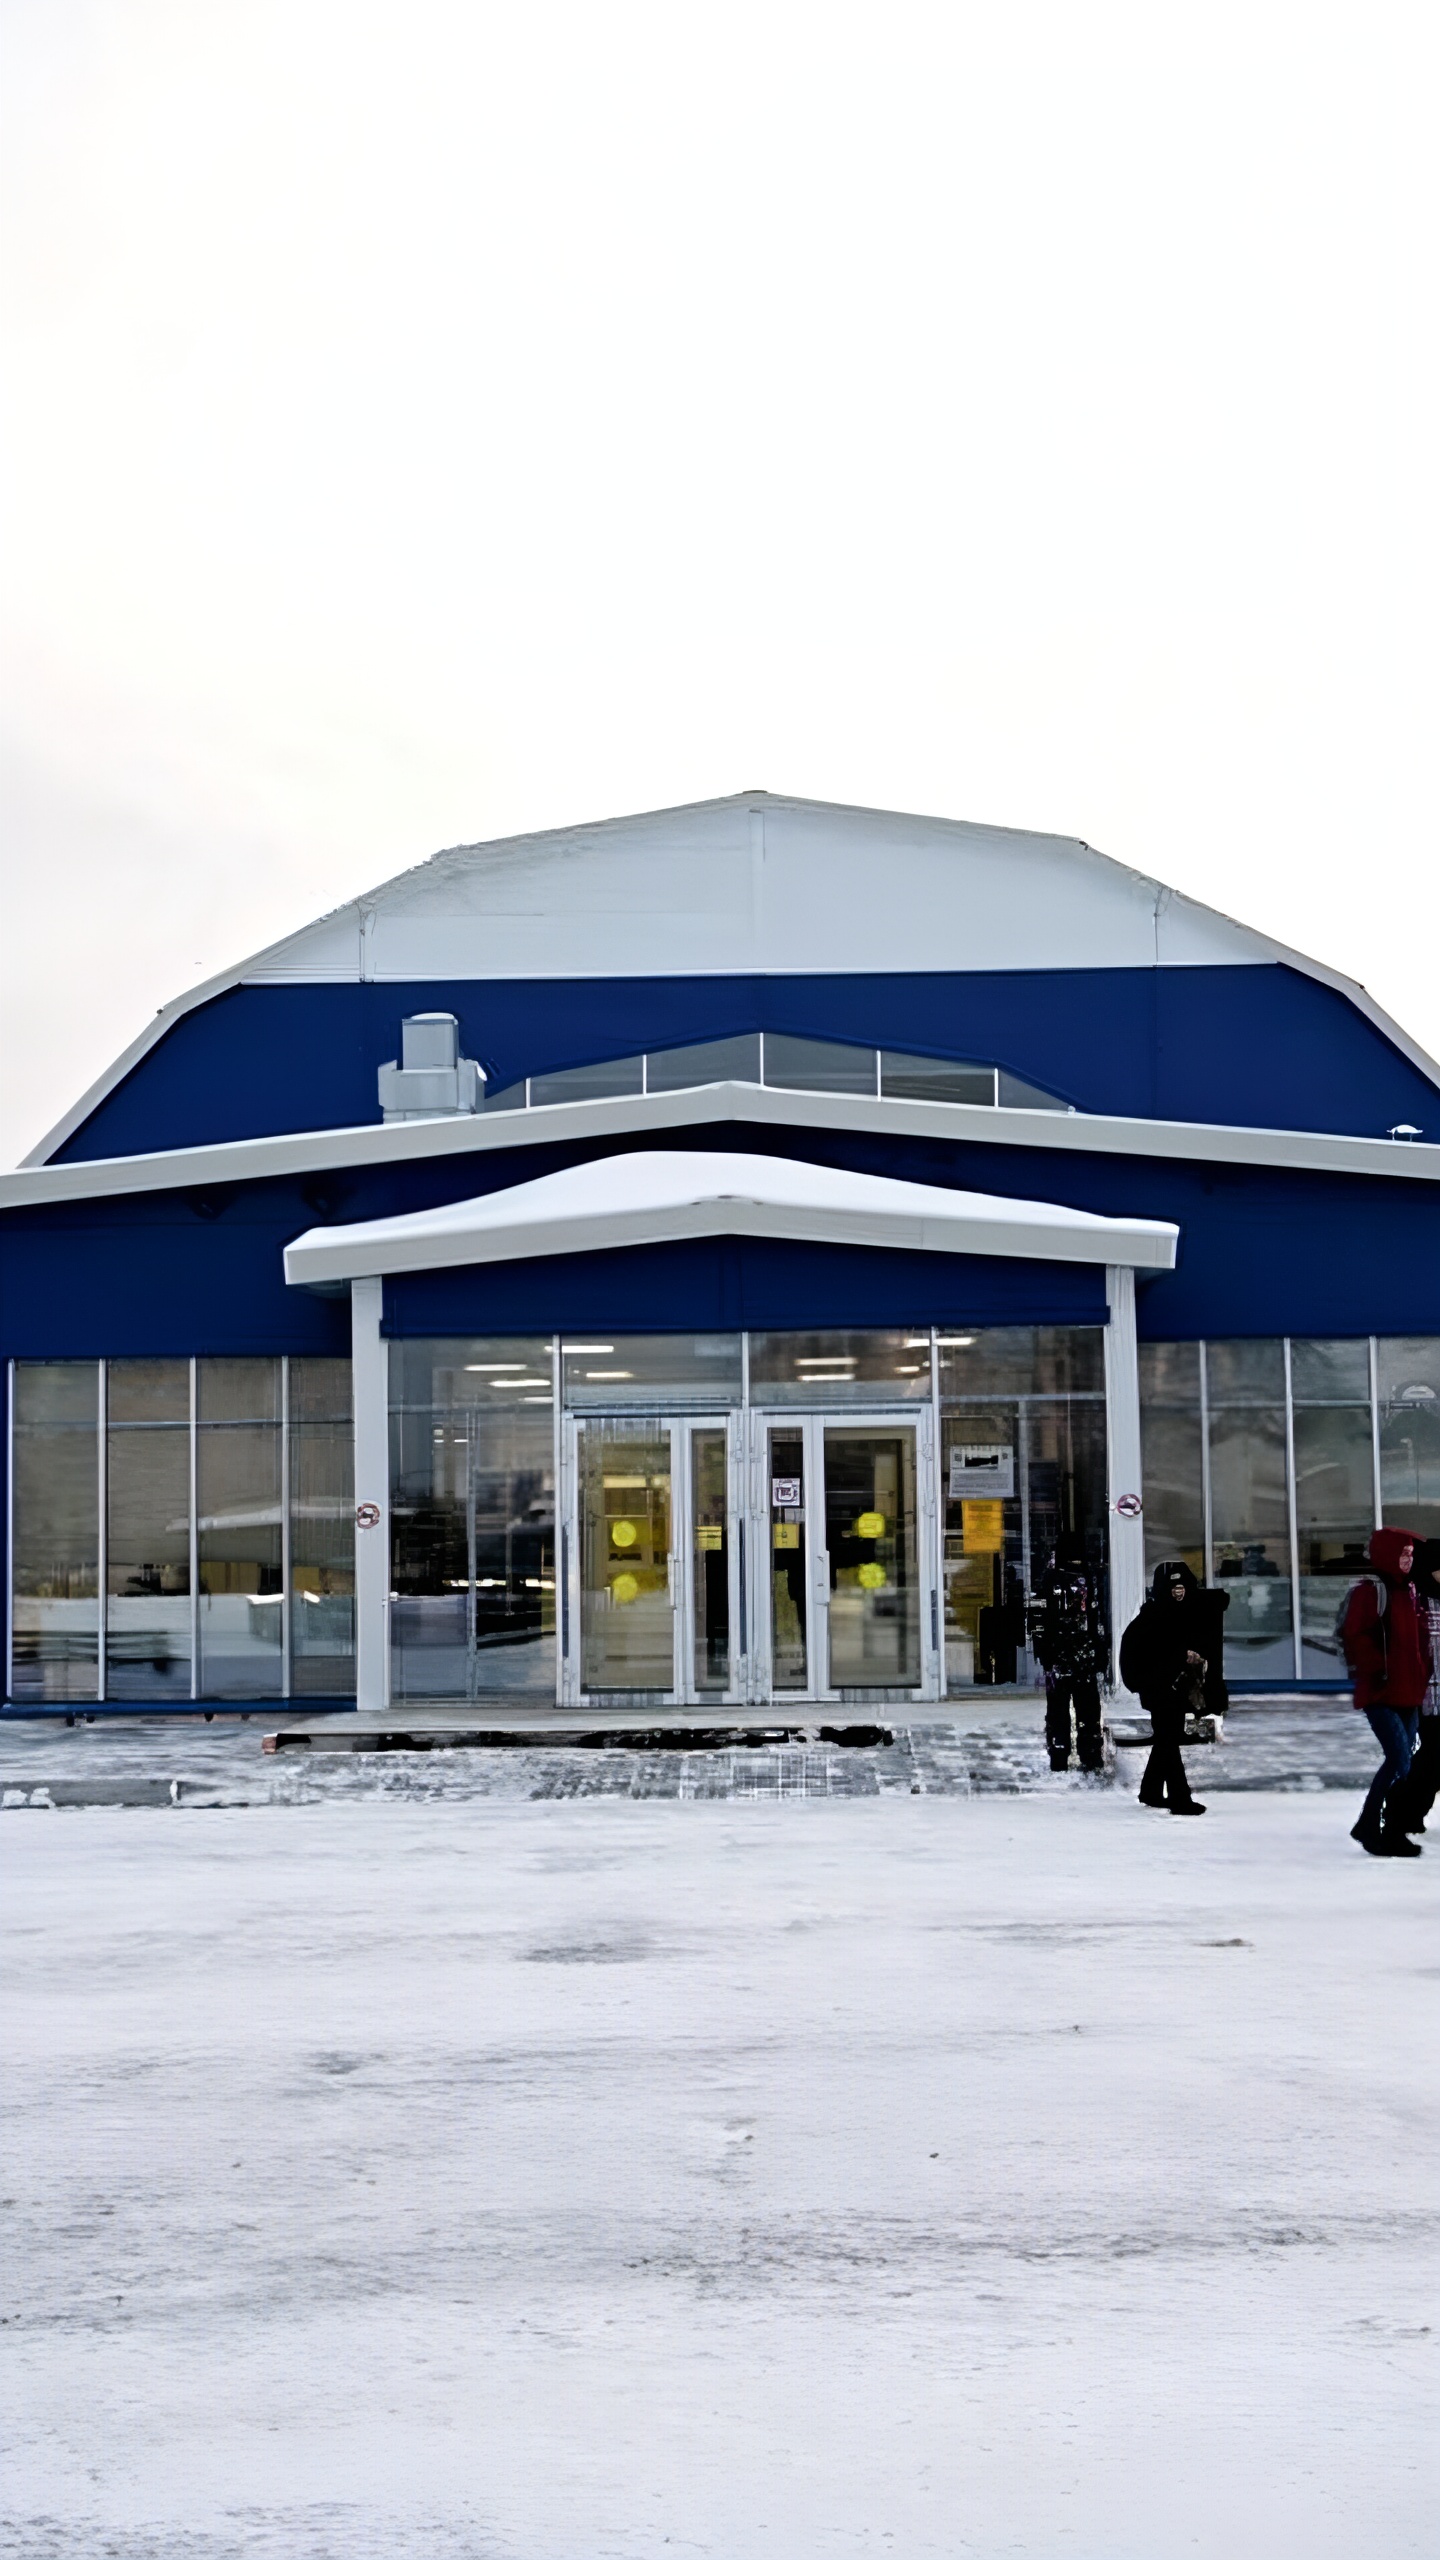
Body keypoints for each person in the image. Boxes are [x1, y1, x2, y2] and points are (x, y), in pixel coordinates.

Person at [1343, 1528, 1433, 1856]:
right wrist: (1379, 1671)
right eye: (1403, 1554)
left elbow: (1420, 1639)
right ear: (1387, 1555)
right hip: (1381, 1694)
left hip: (1409, 1694)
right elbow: (1355, 1637)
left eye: (1411, 1554)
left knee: (1400, 1761)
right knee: (1400, 1761)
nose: (1408, 1560)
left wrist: (1422, 1676)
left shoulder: (1409, 1589)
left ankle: (1371, 1824)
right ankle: (1376, 1828)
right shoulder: (1371, 1591)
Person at [1119, 1559, 1228, 1815]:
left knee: (1166, 1738)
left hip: (1175, 1688)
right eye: (1173, 1588)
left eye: (1182, 1587)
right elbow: (1147, 1656)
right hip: (1158, 1689)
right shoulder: (1151, 1619)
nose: (1178, 1593)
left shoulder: (1182, 1615)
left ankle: (1151, 1790)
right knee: (1168, 1739)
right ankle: (1180, 1798)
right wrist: (1181, 1657)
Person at [1028, 1539, 1106, 1772]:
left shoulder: (1052, 1580)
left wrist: (1044, 1652)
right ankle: (1086, 1753)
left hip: (1069, 1657)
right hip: (1077, 1657)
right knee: (1084, 1709)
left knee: (1063, 1710)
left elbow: (1037, 1619)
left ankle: (1064, 1753)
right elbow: (1097, 1620)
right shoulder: (1087, 1579)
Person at [1391, 1537, 1440, 1834]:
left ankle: (1410, 1812)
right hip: (1425, 1697)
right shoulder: (1413, 1601)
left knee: (1435, 1760)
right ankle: (1400, 1810)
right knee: (1433, 1757)